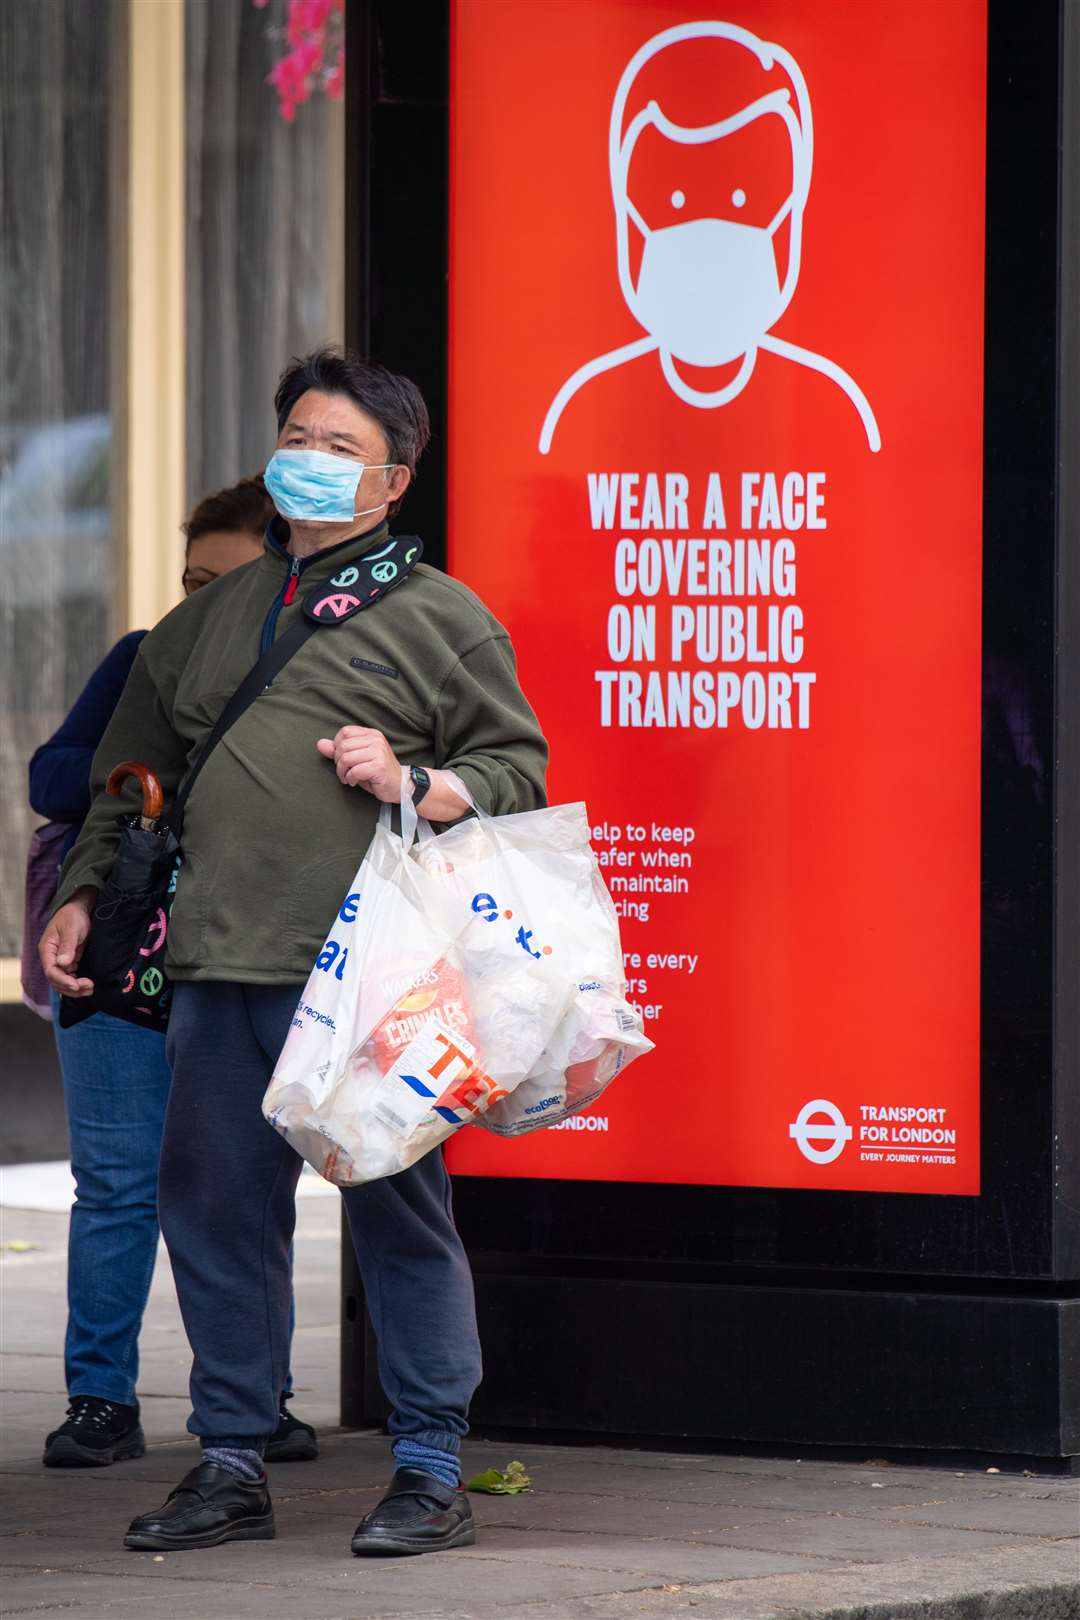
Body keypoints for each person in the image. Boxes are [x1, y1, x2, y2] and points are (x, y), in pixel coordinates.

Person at [41, 348, 549, 1556]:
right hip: (216, 966)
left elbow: (516, 770)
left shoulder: (443, 617)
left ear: (393, 484)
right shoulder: (208, 617)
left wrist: (415, 778)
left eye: (339, 449)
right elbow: (130, 777)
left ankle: (429, 1468)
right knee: (216, 1214)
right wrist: (81, 894)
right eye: (299, 438)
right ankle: (230, 1461)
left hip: (374, 975)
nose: (309, 463)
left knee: (397, 1218)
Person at [31, 477, 318, 1470]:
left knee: (248, 1187)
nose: (202, 602)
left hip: (247, 960)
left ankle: (259, 1394)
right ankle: (99, 1401)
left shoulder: (320, 665)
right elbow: (56, 777)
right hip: (125, 951)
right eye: (191, 579)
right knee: (116, 1185)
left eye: (225, 583)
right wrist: (157, 767)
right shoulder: (147, 657)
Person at [539, 19, 881, 454]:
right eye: (674, 200)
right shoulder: (577, 420)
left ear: (793, 212)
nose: (707, 239)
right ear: (625, 214)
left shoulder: (838, 414)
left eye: (743, 200)